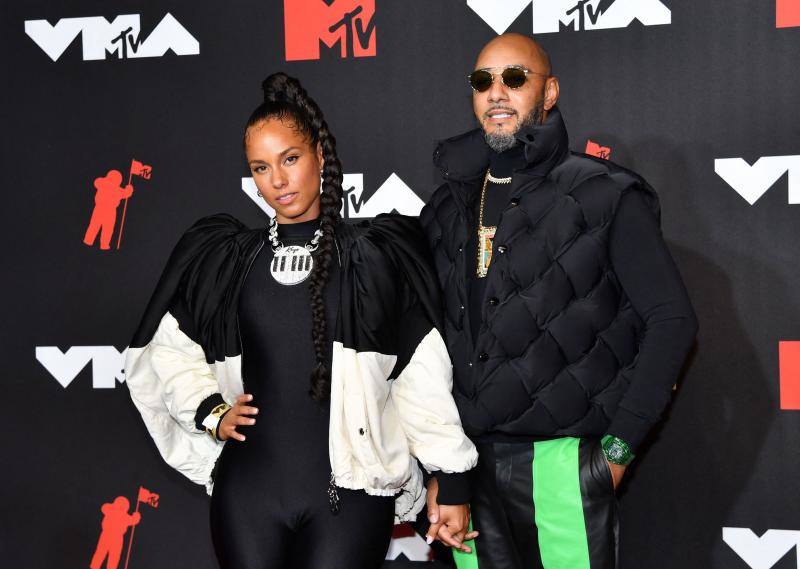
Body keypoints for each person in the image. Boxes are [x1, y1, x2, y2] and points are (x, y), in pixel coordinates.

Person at [125, 73, 478, 569]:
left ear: (318, 155)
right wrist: (210, 410)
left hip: (350, 497)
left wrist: (453, 476)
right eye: (261, 167)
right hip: (247, 492)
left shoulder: (373, 256)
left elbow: (418, 374)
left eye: (289, 159)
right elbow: (168, 348)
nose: (278, 180)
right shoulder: (228, 259)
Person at [420, 33, 698, 568]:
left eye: (515, 78)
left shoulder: (605, 192)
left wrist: (615, 454)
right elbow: (426, 343)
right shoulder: (447, 206)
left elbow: (672, 320)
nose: (496, 92)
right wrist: (440, 470)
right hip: (465, 465)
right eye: (483, 81)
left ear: (549, 93)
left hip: (563, 464)